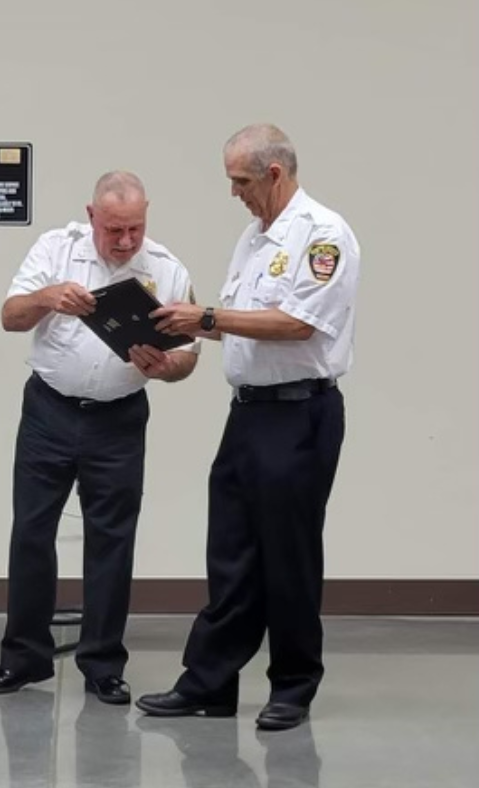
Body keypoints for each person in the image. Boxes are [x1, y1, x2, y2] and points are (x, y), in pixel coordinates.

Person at [135, 124, 360, 730]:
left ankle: (292, 685)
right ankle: (209, 683)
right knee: (230, 552)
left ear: (274, 174)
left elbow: (296, 325)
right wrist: (170, 330)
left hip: (299, 413)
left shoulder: (323, 236)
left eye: (240, 180)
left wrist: (207, 314)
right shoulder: (253, 237)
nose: (233, 191)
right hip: (250, 413)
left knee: (286, 555)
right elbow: (235, 321)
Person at [0, 172, 199, 704]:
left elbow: (190, 356)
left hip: (119, 419)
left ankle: (102, 665)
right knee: (31, 532)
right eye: (114, 229)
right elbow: (10, 316)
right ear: (91, 215)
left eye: (135, 229)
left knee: (112, 541)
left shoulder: (165, 268)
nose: (125, 241)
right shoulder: (56, 248)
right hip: (49, 410)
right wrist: (48, 297)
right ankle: (24, 659)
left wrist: (166, 366)